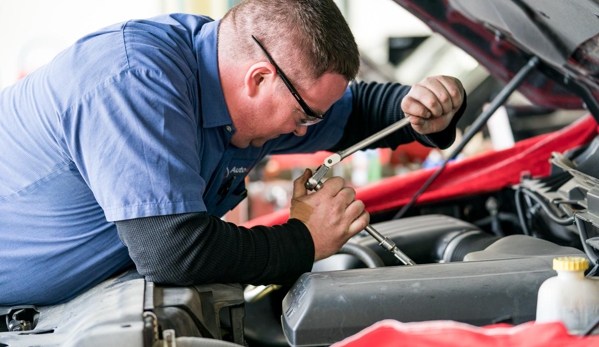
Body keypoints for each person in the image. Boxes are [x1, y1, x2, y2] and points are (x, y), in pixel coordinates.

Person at [0, 0, 465, 306]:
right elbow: (174, 252)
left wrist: (419, 110)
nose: (310, 130)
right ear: (259, 79)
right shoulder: (136, 83)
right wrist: (305, 240)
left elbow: (355, 110)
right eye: (305, 118)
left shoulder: (244, 94)